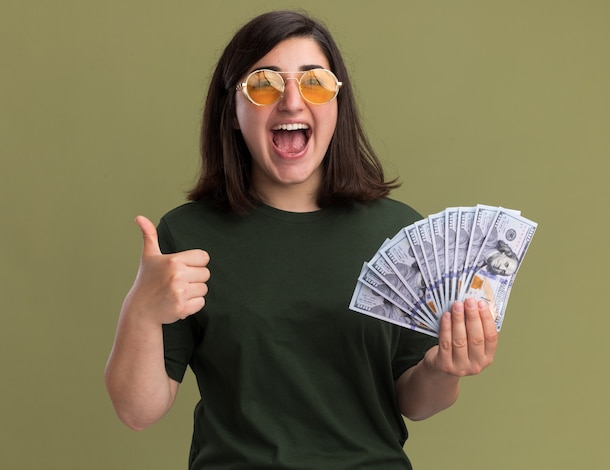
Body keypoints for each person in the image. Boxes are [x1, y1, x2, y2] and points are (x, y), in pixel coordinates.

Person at [104, 10, 498, 470]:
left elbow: (416, 401)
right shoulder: (186, 236)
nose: (291, 102)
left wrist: (442, 368)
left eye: (314, 83)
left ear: (336, 105)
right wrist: (141, 309)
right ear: (232, 111)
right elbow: (137, 411)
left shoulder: (398, 235)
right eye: (264, 84)